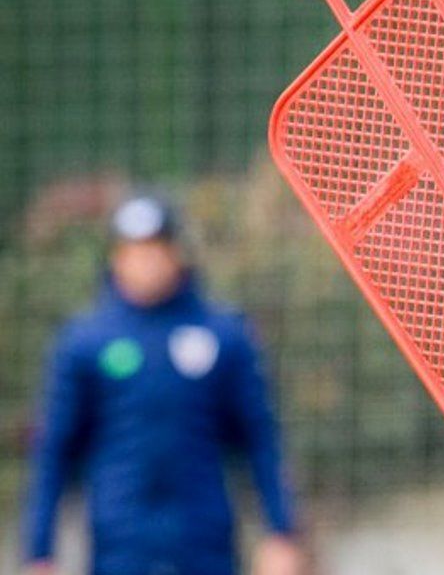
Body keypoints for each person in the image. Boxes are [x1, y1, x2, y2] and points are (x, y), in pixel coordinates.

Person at [22, 192, 304, 575]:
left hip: (206, 544)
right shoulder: (84, 342)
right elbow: (55, 452)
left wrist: (281, 532)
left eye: (156, 249)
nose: (146, 262)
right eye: (135, 251)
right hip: (118, 548)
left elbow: (259, 439)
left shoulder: (223, 334)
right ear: (116, 257)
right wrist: (39, 552)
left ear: (176, 252)